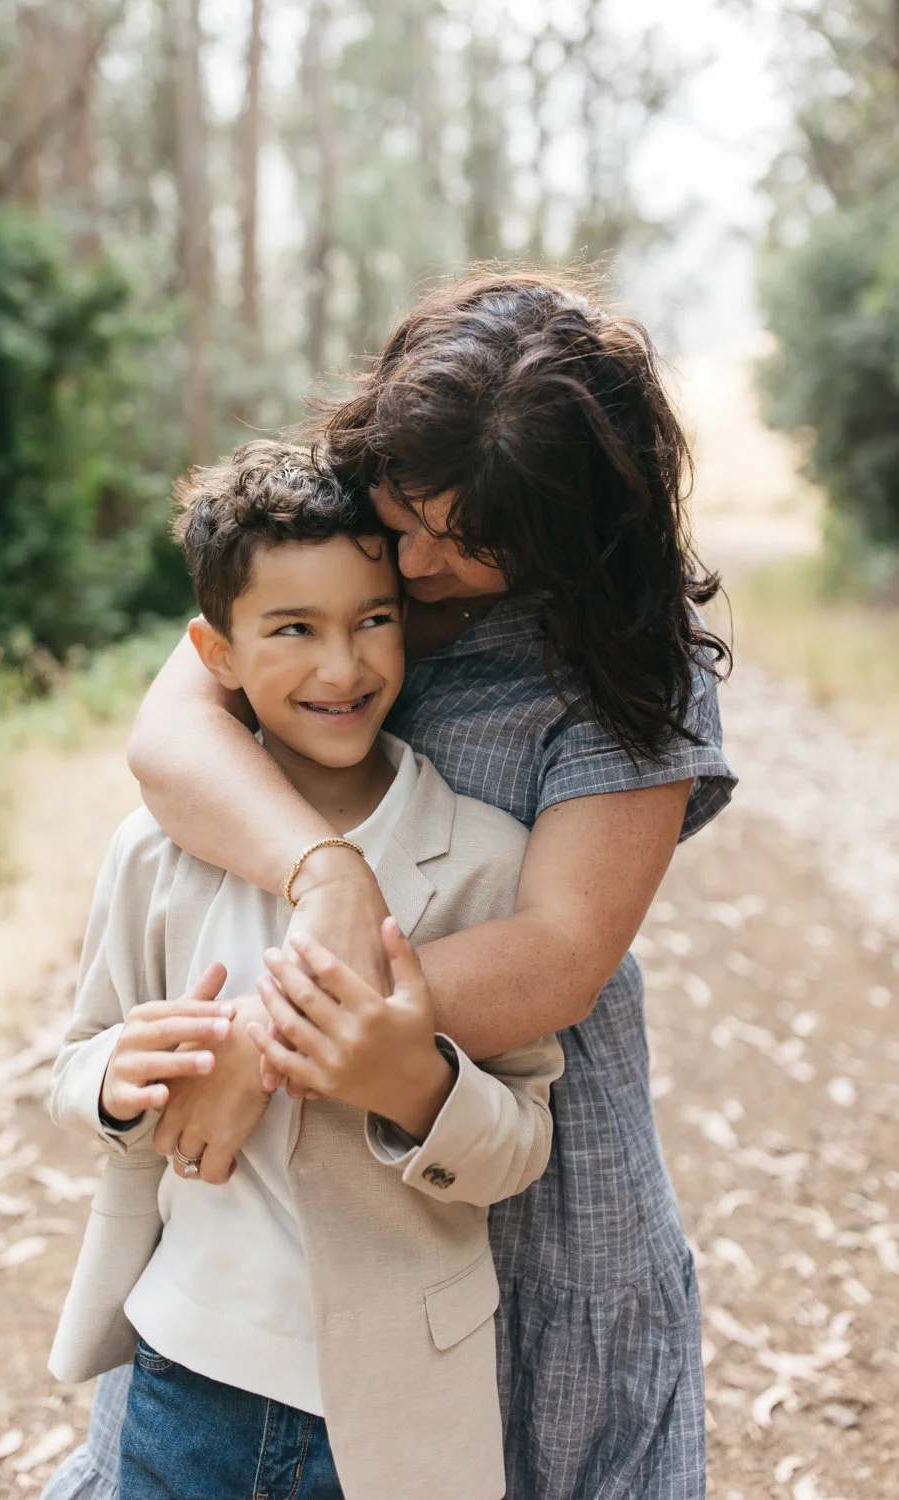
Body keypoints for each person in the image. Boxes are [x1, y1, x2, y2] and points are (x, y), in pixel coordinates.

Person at [46, 269, 737, 1500]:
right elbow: (171, 741)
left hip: (500, 1128)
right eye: (404, 511)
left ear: (567, 533)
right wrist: (325, 877)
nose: (410, 563)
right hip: (263, 1238)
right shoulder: (333, 558)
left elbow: (558, 953)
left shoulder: (624, 661)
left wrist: (274, 1029)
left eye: (464, 542)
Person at [46, 440, 563, 1500]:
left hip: (396, 1415)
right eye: (293, 629)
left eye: (372, 620)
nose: (343, 667)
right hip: (183, 1372)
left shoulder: (482, 860)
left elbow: (521, 1141)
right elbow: (72, 1063)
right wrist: (113, 1077)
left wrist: (414, 1085)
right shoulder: (153, 853)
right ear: (217, 652)